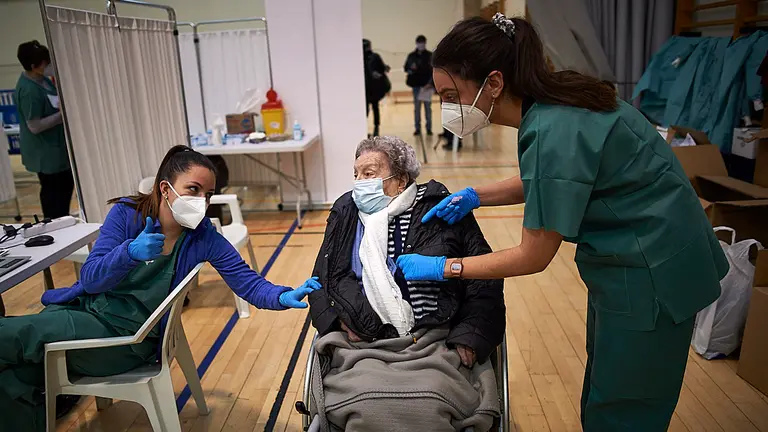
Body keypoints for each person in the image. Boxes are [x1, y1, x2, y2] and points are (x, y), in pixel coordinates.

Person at [395, 14, 729, 432]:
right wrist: (477, 195)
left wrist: (446, 267)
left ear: (493, 84)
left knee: (626, 406)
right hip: (630, 264)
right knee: (607, 384)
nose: (447, 106)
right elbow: (556, 176)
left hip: (653, 272)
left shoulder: (555, 127)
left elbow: (533, 255)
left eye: (450, 94)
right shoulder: (552, 105)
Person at [0, 146, 321, 431]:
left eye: (208, 194)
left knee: (10, 335)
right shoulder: (127, 215)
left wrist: (282, 295)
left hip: (123, 342)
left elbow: (248, 283)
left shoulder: (203, 237)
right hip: (87, 318)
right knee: (13, 378)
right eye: (193, 190)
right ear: (166, 189)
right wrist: (129, 252)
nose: (202, 202)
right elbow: (91, 280)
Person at [307, 136, 505, 431]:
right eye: (356, 175)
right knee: (363, 403)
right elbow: (321, 279)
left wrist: (470, 336)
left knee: (431, 403)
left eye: (369, 174)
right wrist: (336, 322)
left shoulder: (442, 209)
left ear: (400, 180)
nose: (360, 182)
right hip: (362, 340)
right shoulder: (346, 211)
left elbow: (484, 277)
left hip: (436, 337)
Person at [14, 41, 73, 219]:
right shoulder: (29, 90)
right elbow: (34, 126)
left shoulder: (44, 81)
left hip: (58, 149)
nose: (49, 66)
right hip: (46, 153)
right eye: (45, 63)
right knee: (53, 195)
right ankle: (54, 225)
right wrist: (61, 116)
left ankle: (62, 220)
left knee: (64, 188)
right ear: (33, 66)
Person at [404, 35, 433, 136]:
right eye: (419, 43)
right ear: (416, 43)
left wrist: (430, 83)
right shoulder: (411, 56)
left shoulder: (430, 55)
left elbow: (434, 70)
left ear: (425, 43)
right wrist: (411, 69)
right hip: (416, 86)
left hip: (427, 86)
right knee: (417, 108)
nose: (421, 45)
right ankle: (417, 128)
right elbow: (406, 68)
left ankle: (429, 128)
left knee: (427, 108)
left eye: (423, 43)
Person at [363, 39, 391, 137]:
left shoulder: (375, 57)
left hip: (374, 88)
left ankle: (376, 128)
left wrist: (382, 71)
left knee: (375, 108)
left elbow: (383, 68)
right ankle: (364, 129)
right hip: (364, 89)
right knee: (364, 110)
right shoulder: (358, 57)